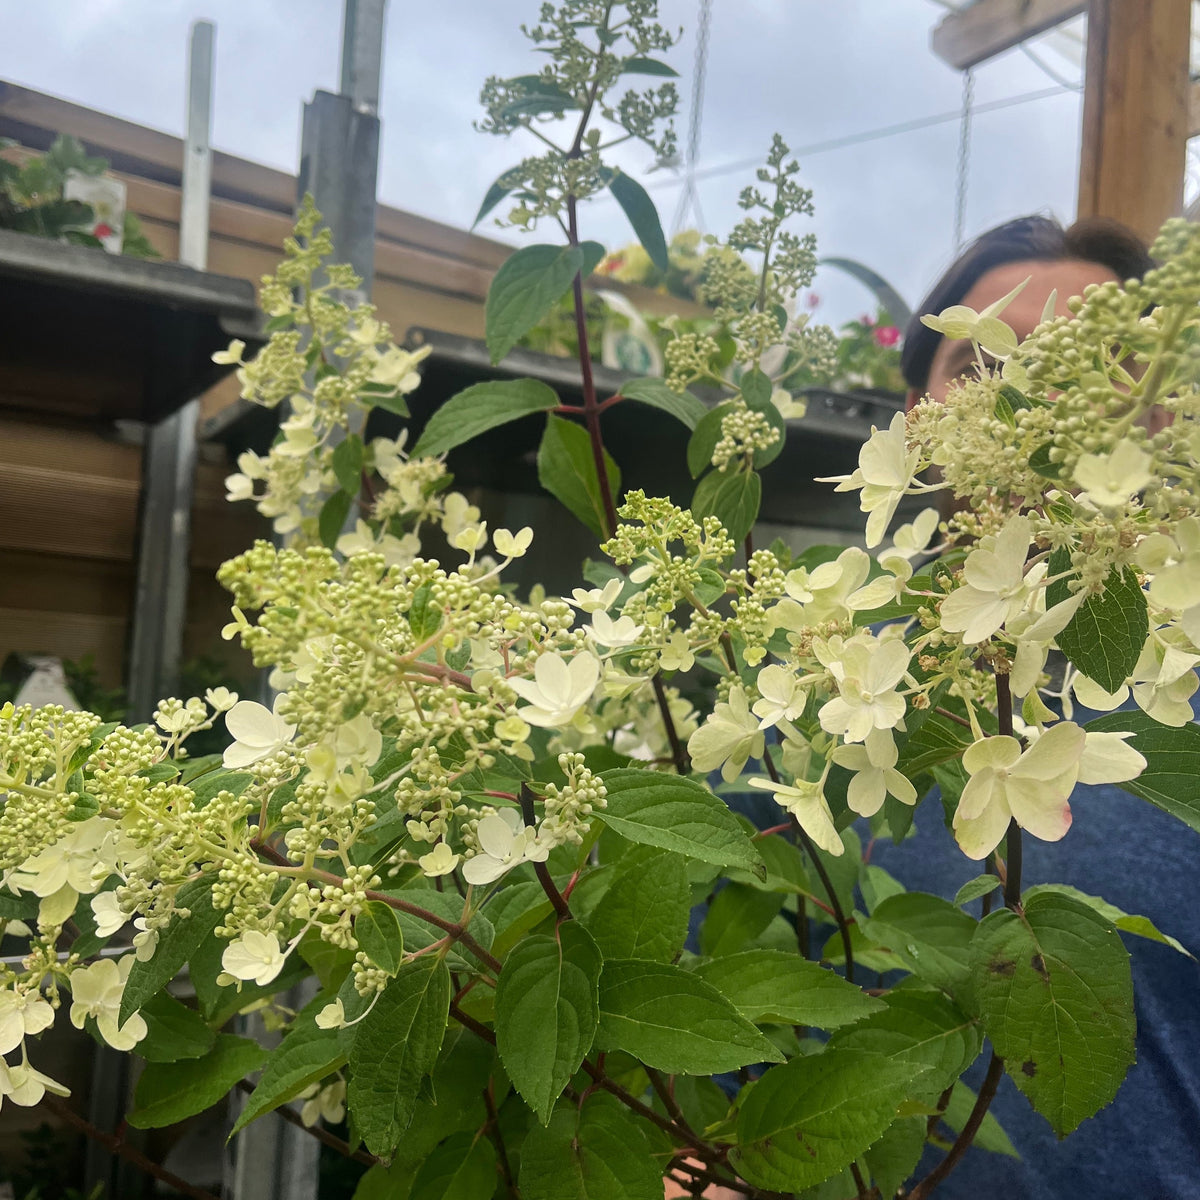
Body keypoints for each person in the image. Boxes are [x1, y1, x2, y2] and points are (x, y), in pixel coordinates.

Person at [869, 214, 1200, 1198]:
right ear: (917, 417)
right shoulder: (848, 666)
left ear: (1160, 409)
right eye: (979, 366)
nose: (1027, 395)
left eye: (1092, 360)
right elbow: (729, 930)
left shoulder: (1171, 664)